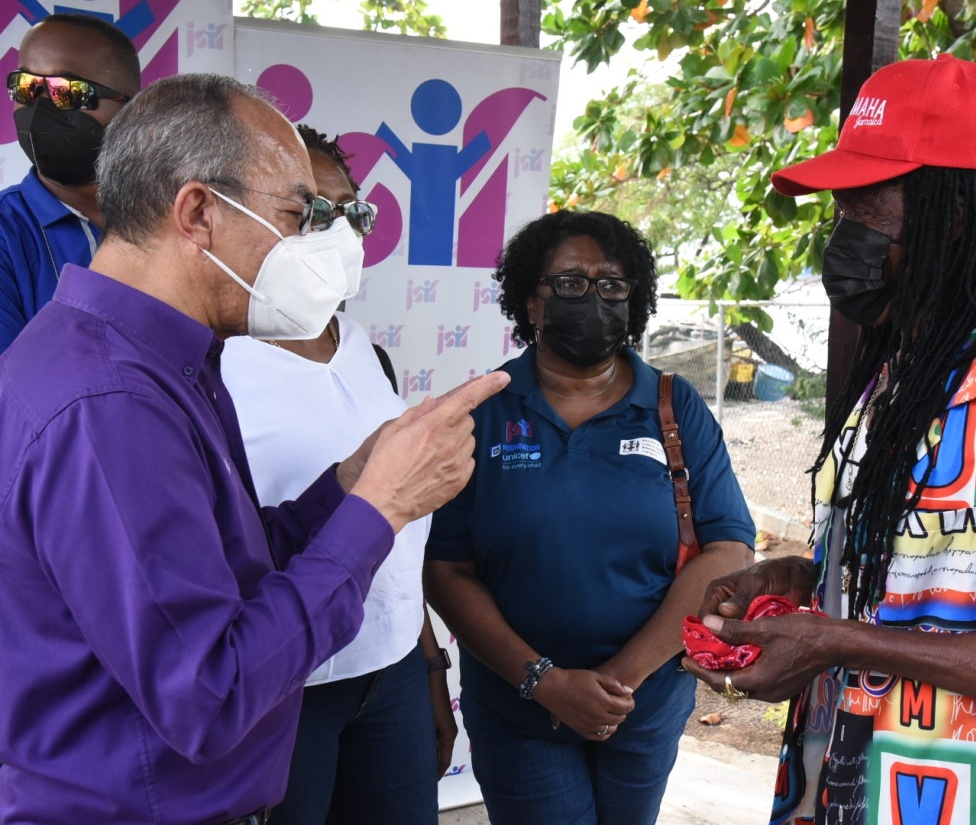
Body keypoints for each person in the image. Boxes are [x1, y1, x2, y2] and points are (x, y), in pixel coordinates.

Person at [0, 73, 507, 825]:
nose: (327, 247)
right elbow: (209, 692)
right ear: (199, 211)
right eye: (302, 216)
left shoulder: (156, 361)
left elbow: (213, 571)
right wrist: (380, 507)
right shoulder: (111, 401)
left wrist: (344, 487)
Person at [684, 55, 976, 824]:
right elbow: (952, 575)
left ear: (960, 213)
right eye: (840, 211)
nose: (843, 241)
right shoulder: (907, 372)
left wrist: (841, 640)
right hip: (860, 785)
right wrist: (809, 581)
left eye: (867, 210)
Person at [424, 210, 756, 825]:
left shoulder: (672, 405)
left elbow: (729, 549)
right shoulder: (483, 410)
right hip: (521, 706)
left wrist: (618, 683)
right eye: (570, 283)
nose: (593, 297)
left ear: (634, 300)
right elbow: (446, 568)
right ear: (531, 302)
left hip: (645, 702)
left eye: (611, 284)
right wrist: (545, 683)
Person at [221, 124, 455, 825]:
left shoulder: (367, 355)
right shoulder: (213, 365)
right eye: (312, 212)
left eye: (352, 210)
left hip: (389, 679)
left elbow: (393, 533)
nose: (339, 231)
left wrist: (430, 671)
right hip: (287, 688)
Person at [0, 12, 140, 351]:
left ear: (132, 109)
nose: (38, 106)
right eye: (26, 86)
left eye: (67, 91)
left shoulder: (178, 220)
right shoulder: (7, 231)